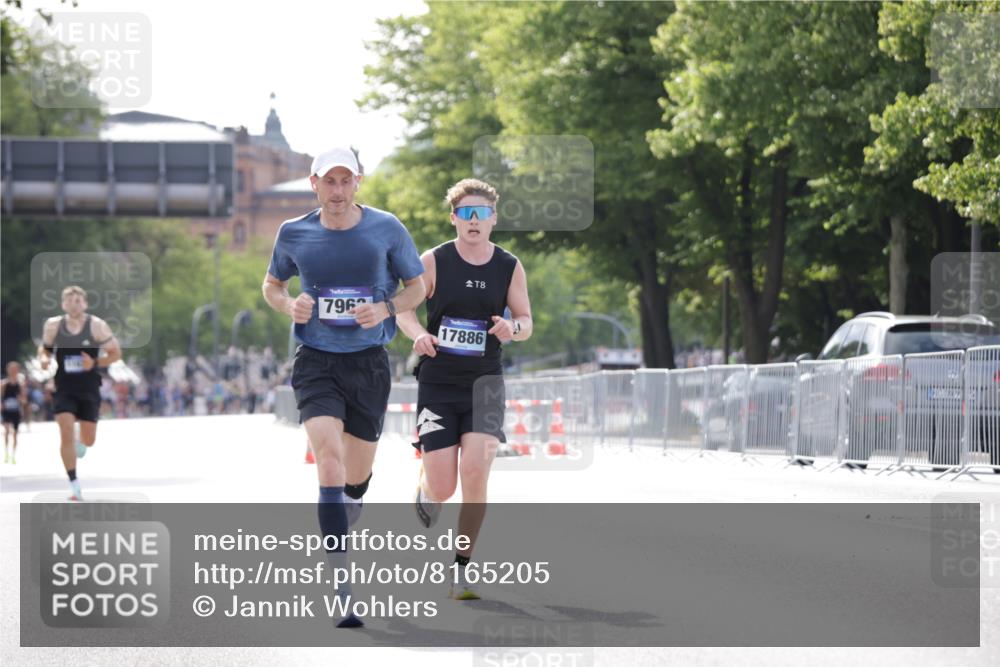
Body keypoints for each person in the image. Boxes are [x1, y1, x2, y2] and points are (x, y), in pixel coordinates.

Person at [262, 146, 426, 627]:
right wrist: (288, 304)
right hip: (315, 361)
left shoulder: (386, 228)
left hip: (369, 364)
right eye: (328, 181)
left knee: (355, 480)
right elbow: (272, 284)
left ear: (358, 182)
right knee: (328, 461)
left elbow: (417, 288)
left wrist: (387, 309)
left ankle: (348, 505)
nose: (337, 190)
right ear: (313, 183)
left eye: (345, 180)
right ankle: (341, 587)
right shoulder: (293, 232)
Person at [397, 178, 533, 600]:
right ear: (454, 218)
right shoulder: (434, 261)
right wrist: (418, 334)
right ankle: (426, 483)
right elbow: (404, 310)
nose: (474, 222)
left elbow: (526, 321)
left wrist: (512, 328)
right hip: (438, 384)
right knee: (445, 488)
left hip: (485, 383)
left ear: (494, 218)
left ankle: (461, 569)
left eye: (482, 214)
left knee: (475, 471)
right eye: (466, 214)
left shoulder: (508, 265)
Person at [37, 285, 122, 501]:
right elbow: (44, 348)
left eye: (78, 301)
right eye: (69, 301)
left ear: (85, 304)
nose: (74, 305)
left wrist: (94, 362)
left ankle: (81, 441)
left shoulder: (97, 326)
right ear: (63, 304)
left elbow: (115, 353)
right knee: (65, 428)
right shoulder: (53, 325)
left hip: (89, 388)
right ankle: (74, 484)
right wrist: (44, 359)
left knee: (89, 440)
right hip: (64, 387)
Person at [2, 361, 27, 464]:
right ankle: (6, 453)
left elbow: (24, 400)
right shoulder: (3, 384)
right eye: (11, 369)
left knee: (15, 434)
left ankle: (13, 455)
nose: (13, 371)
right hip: (6, 411)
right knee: (7, 431)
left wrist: (21, 399)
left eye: (15, 369)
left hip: (16, 411)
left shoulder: (20, 384)